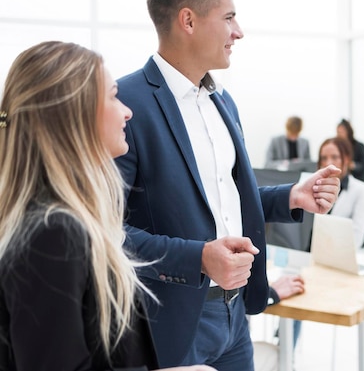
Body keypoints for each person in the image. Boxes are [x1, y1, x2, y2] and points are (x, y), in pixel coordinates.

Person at [115, 0, 341, 371]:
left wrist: (291, 196)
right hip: (166, 323)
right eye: (229, 18)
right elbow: (105, 232)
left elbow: (226, 196)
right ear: (188, 20)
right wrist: (199, 257)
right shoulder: (125, 105)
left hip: (235, 317)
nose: (239, 31)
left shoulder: (223, 102)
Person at [0, 41, 214, 371]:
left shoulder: (62, 220)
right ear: (76, 114)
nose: (127, 110)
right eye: (113, 96)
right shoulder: (53, 233)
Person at [318, 137, 364, 248]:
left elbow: (357, 238)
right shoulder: (314, 187)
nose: (328, 163)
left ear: (346, 159)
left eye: (334, 157)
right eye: (324, 158)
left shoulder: (361, 189)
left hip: (342, 255)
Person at [336, 118, 364, 185]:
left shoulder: (359, 146)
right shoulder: (336, 147)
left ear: (348, 132)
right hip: (341, 182)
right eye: (338, 132)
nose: (339, 135)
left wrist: (353, 165)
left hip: (358, 180)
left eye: (341, 132)